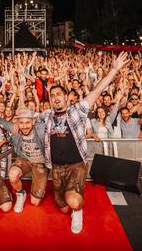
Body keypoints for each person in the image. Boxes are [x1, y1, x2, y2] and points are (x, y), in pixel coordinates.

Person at [36, 52, 129, 234]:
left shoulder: (77, 111)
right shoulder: (46, 116)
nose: (55, 98)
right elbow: (24, 118)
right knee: (62, 206)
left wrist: (114, 70)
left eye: (59, 94)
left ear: (66, 98)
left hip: (76, 165)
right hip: (55, 167)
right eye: (52, 95)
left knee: (74, 202)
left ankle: (78, 211)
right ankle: (70, 200)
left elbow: (97, 90)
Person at [7, 108, 48, 213]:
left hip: (40, 163)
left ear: (33, 121)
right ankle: (21, 193)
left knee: (35, 202)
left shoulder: (41, 128)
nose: (24, 126)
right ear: (17, 123)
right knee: (12, 175)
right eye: (21, 123)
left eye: (28, 122)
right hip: (25, 159)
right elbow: (0, 121)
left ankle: (38, 190)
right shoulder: (15, 129)